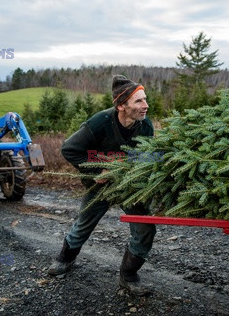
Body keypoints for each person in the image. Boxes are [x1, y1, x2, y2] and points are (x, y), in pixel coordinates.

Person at [47, 75, 156, 296]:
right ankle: (64, 259)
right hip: (100, 185)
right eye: (138, 101)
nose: (146, 105)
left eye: (145, 99)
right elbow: (69, 149)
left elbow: (147, 155)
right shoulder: (99, 123)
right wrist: (97, 171)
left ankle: (128, 276)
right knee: (84, 223)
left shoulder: (146, 126)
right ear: (121, 106)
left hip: (129, 186)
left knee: (145, 227)